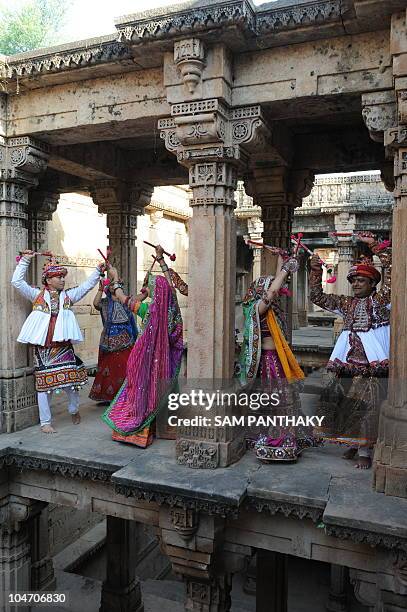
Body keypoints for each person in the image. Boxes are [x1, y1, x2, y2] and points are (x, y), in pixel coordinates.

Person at [309, 232, 391, 469]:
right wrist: (315, 270)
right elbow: (317, 296)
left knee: (369, 407)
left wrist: (375, 246)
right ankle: (353, 444)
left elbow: (395, 274)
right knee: (345, 404)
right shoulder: (346, 303)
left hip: (372, 367)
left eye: (361, 281)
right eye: (353, 280)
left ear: (373, 284)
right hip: (347, 363)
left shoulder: (381, 301)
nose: (355, 283)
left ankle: (365, 449)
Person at [11, 251, 105, 433]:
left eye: (63, 276)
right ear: (48, 279)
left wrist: (97, 271)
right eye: (58, 277)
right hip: (43, 349)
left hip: (63, 347)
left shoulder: (68, 296)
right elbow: (16, 282)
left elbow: (86, 287)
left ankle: (73, 410)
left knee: (72, 382)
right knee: (44, 386)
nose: (62, 280)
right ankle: (45, 422)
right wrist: (24, 260)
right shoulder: (37, 295)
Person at [101, 246, 184, 447]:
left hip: (143, 358)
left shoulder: (147, 310)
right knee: (160, 388)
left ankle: (138, 431)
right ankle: (162, 427)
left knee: (140, 389)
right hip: (162, 363)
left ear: (154, 294)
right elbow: (171, 291)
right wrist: (161, 261)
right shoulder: (174, 315)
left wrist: (115, 277)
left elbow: (122, 298)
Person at [239, 249, 313, 462]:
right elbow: (271, 293)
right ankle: (276, 441)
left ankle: (283, 439)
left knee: (282, 400)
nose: (276, 293)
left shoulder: (269, 310)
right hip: (268, 362)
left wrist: (283, 260)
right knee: (276, 401)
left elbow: (272, 290)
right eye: (270, 289)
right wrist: (285, 268)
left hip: (275, 360)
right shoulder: (256, 308)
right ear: (260, 292)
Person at [89, 277, 138, 404]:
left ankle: (126, 396)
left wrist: (145, 291)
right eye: (110, 286)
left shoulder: (126, 301)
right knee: (109, 371)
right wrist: (100, 289)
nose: (113, 287)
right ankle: (108, 397)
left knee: (126, 369)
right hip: (109, 343)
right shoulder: (105, 303)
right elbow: (95, 303)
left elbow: (138, 300)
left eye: (115, 285)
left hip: (126, 341)